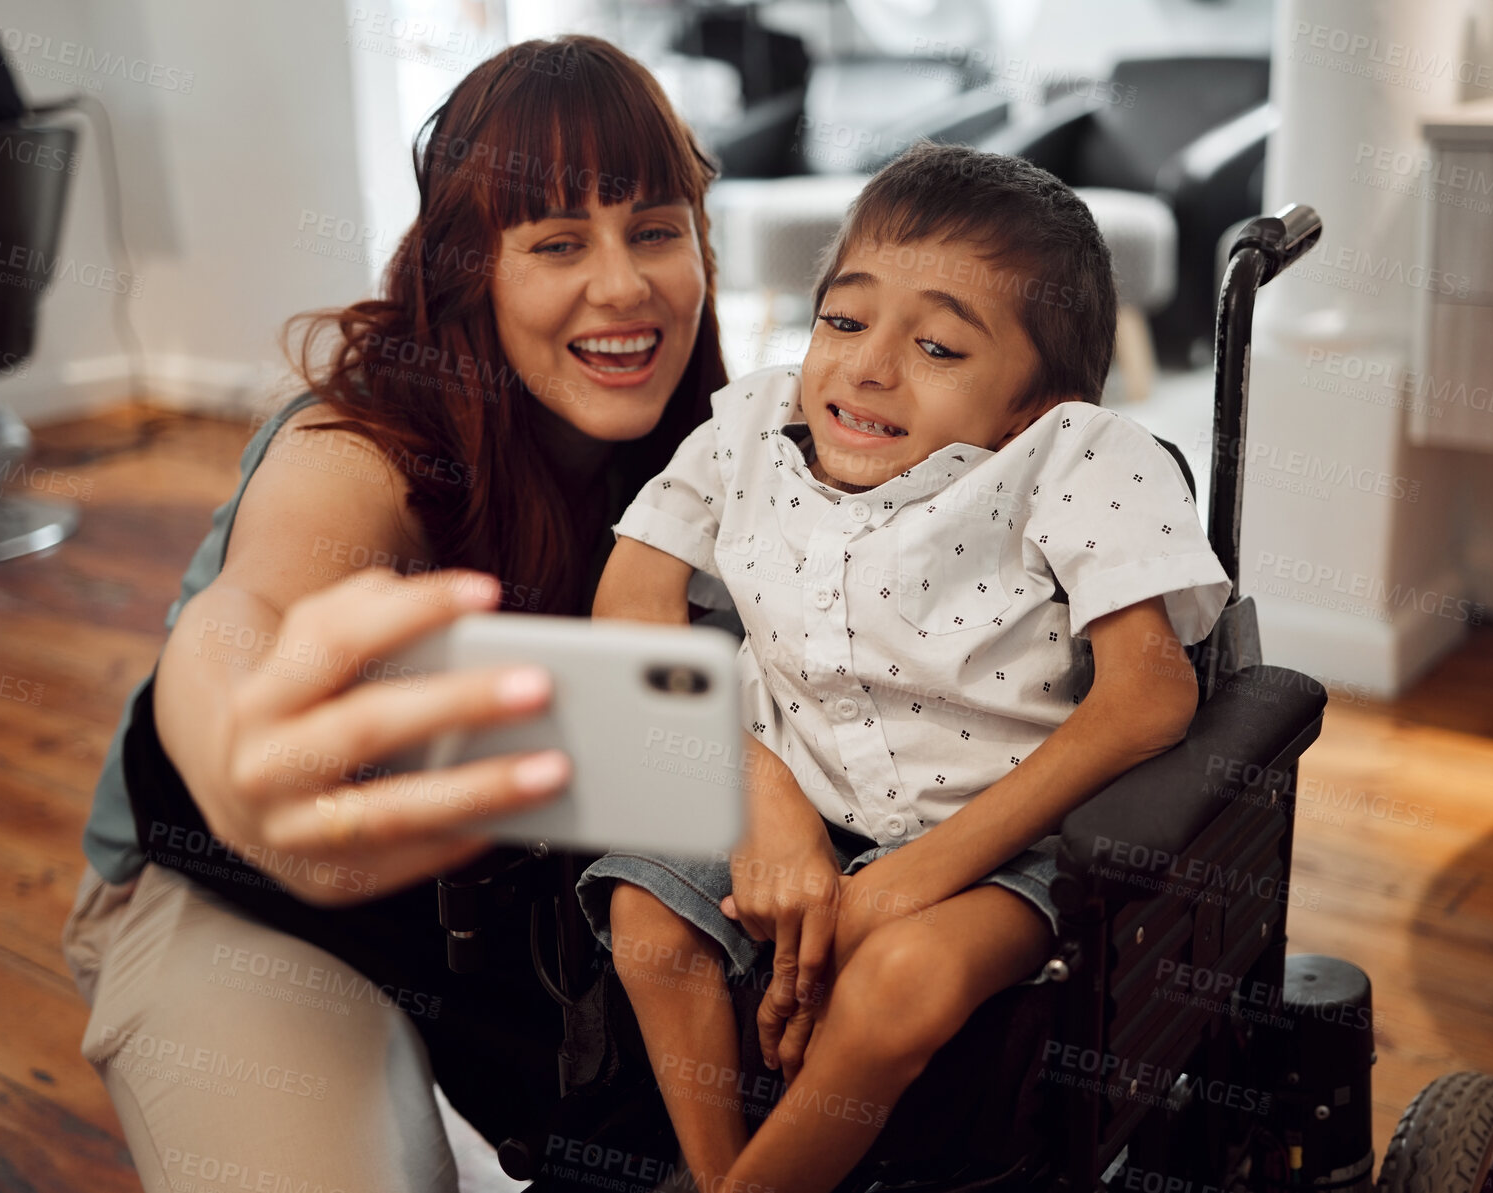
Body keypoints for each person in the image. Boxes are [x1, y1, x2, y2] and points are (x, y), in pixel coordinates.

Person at [61, 35, 730, 1192]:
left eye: (655, 230)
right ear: (472, 268)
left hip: (468, 914)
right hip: (225, 888)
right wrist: (242, 758)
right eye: (559, 241)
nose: (623, 285)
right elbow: (254, 607)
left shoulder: (702, 453)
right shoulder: (359, 448)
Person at [579, 142, 1234, 1193]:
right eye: (842, 319)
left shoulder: (1074, 455)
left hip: (1004, 832)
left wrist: (910, 882)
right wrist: (761, 790)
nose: (865, 365)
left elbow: (1150, 693)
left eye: (934, 345)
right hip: (785, 785)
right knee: (645, 923)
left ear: (1031, 402)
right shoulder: (749, 421)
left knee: (900, 979)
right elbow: (630, 609)